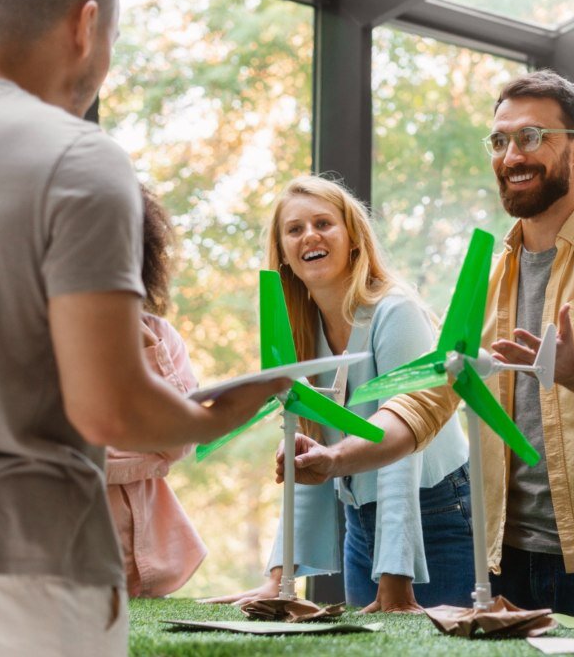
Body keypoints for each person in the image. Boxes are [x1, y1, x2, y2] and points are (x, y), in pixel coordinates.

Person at [0, 0, 287, 654]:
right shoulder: (80, 159)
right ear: (86, 27)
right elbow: (111, 410)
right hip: (20, 582)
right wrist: (224, 412)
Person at [278, 71, 574, 619]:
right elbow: (424, 402)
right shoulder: (488, 276)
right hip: (505, 567)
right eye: (499, 141)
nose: (511, 155)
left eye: (531, 137)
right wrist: (335, 457)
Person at [203, 175, 474, 611]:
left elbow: (402, 449)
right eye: (294, 229)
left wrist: (396, 581)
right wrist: (280, 578)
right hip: (363, 523)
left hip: (435, 514)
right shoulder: (299, 332)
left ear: (352, 239)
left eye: (324, 223)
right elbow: (308, 455)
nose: (310, 235)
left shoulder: (395, 310)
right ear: (286, 255)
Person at [105, 187, 208, 599]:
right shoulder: (38, 338)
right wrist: (144, 453)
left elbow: (179, 442)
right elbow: (64, 455)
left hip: (150, 570)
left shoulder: (161, 336)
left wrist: (144, 341)